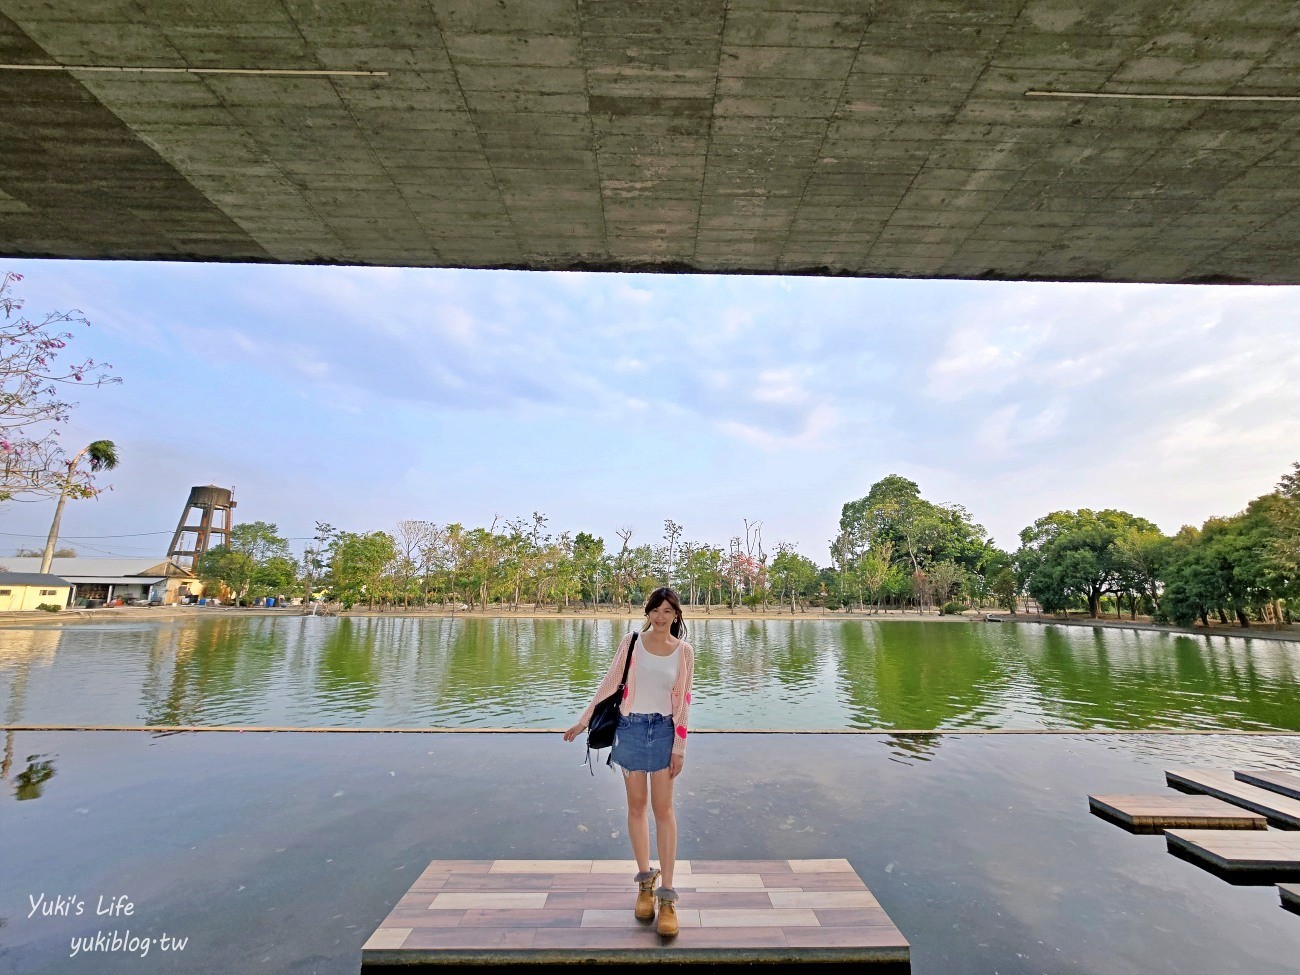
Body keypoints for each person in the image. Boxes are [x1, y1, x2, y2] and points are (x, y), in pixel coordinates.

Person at [563, 586, 695, 937]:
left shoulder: (684, 651)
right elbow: (608, 685)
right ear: (648, 612)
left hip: (664, 731)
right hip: (631, 729)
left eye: (668, 611)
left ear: (676, 615)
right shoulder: (631, 642)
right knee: (636, 807)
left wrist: (679, 747)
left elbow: (683, 702)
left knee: (664, 810)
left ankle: (667, 895)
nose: (661, 617)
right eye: (656, 610)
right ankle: (645, 884)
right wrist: (583, 721)